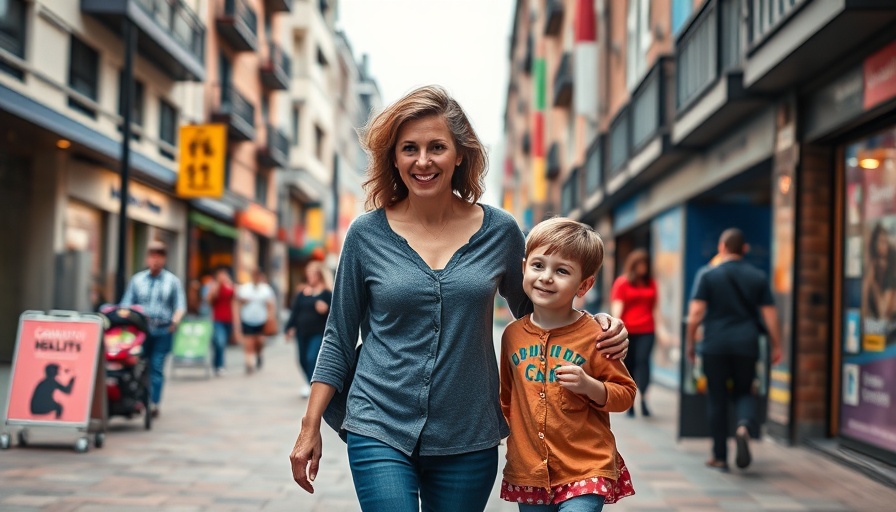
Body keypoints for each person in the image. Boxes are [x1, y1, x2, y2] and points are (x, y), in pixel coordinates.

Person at [288, 85, 630, 511]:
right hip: (378, 419)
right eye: (409, 148)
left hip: (468, 430)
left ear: (460, 154)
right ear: (394, 157)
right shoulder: (365, 235)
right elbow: (339, 336)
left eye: (437, 147)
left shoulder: (500, 231)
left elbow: (542, 314)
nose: (423, 161)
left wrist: (598, 323)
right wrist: (310, 425)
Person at [500, 217, 636, 511]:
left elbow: (626, 393)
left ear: (584, 284)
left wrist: (591, 386)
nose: (546, 277)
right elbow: (507, 397)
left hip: (586, 466)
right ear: (523, 268)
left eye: (562, 271)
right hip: (530, 470)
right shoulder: (512, 335)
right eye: (538, 266)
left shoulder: (596, 335)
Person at [685, 228, 782, 471]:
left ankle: (719, 456)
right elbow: (770, 316)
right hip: (746, 344)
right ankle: (743, 426)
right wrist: (777, 344)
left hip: (714, 345)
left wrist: (690, 342)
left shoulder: (708, 275)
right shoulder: (757, 277)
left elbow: (695, 314)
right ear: (744, 249)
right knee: (744, 391)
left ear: (721, 247)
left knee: (717, 398)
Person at [120, 240, 186, 417]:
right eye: (152, 256)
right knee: (137, 365)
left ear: (164, 259)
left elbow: (180, 305)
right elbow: (126, 304)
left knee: (156, 366)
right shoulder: (137, 280)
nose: (155, 260)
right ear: (147, 258)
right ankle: (137, 399)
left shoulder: (172, 282)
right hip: (140, 331)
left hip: (163, 330)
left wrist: (175, 321)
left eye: (159, 256)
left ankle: (154, 403)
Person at [610, 249, 658, 417]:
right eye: (640, 264)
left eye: (645, 264)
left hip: (647, 329)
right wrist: (615, 327)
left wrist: (663, 331)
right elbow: (617, 306)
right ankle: (630, 402)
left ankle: (644, 399)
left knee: (643, 362)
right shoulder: (622, 283)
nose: (643, 268)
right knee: (629, 365)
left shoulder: (650, 283)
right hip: (628, 331)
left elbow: (655, 308)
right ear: (633, 265)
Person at [285, 260, 333, 397]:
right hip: (302, 332)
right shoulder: (303, 292)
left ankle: (311, 385)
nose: (309, 277)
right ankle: (309, 381)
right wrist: (289, 328)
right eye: (308, 274)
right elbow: (295, 311)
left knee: (312, 357)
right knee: (302, 359)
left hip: (318, 332)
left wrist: (326, 309)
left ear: (320, 275)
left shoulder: (327, 294)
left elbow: (335, 314)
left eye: (312, 274)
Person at [235, 269, 275, 375]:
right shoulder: (244, 289)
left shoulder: (266, 289)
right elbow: (237, 303)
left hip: (261, 320)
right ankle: (249, 364)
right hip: (247, 319)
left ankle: (258, 354)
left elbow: (271, 304)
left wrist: (270, 317)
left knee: (259, 342)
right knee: (249, 343)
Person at [206, 267, 236, 376]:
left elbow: (235, 299)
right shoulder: (214, 286)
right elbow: (209, 300)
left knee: (221, 343)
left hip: (229, 319)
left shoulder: (230, 286)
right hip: (217, 319)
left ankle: (216, 363)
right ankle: (219, 365)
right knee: (220, 342)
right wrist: (217, 287)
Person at [864, 222, 896, 320]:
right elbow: (864, 303)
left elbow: (883, 311)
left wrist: (873, 283)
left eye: (885, 242)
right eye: (881, 242)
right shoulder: (874, 268)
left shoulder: (891, 270)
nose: (884, 245)